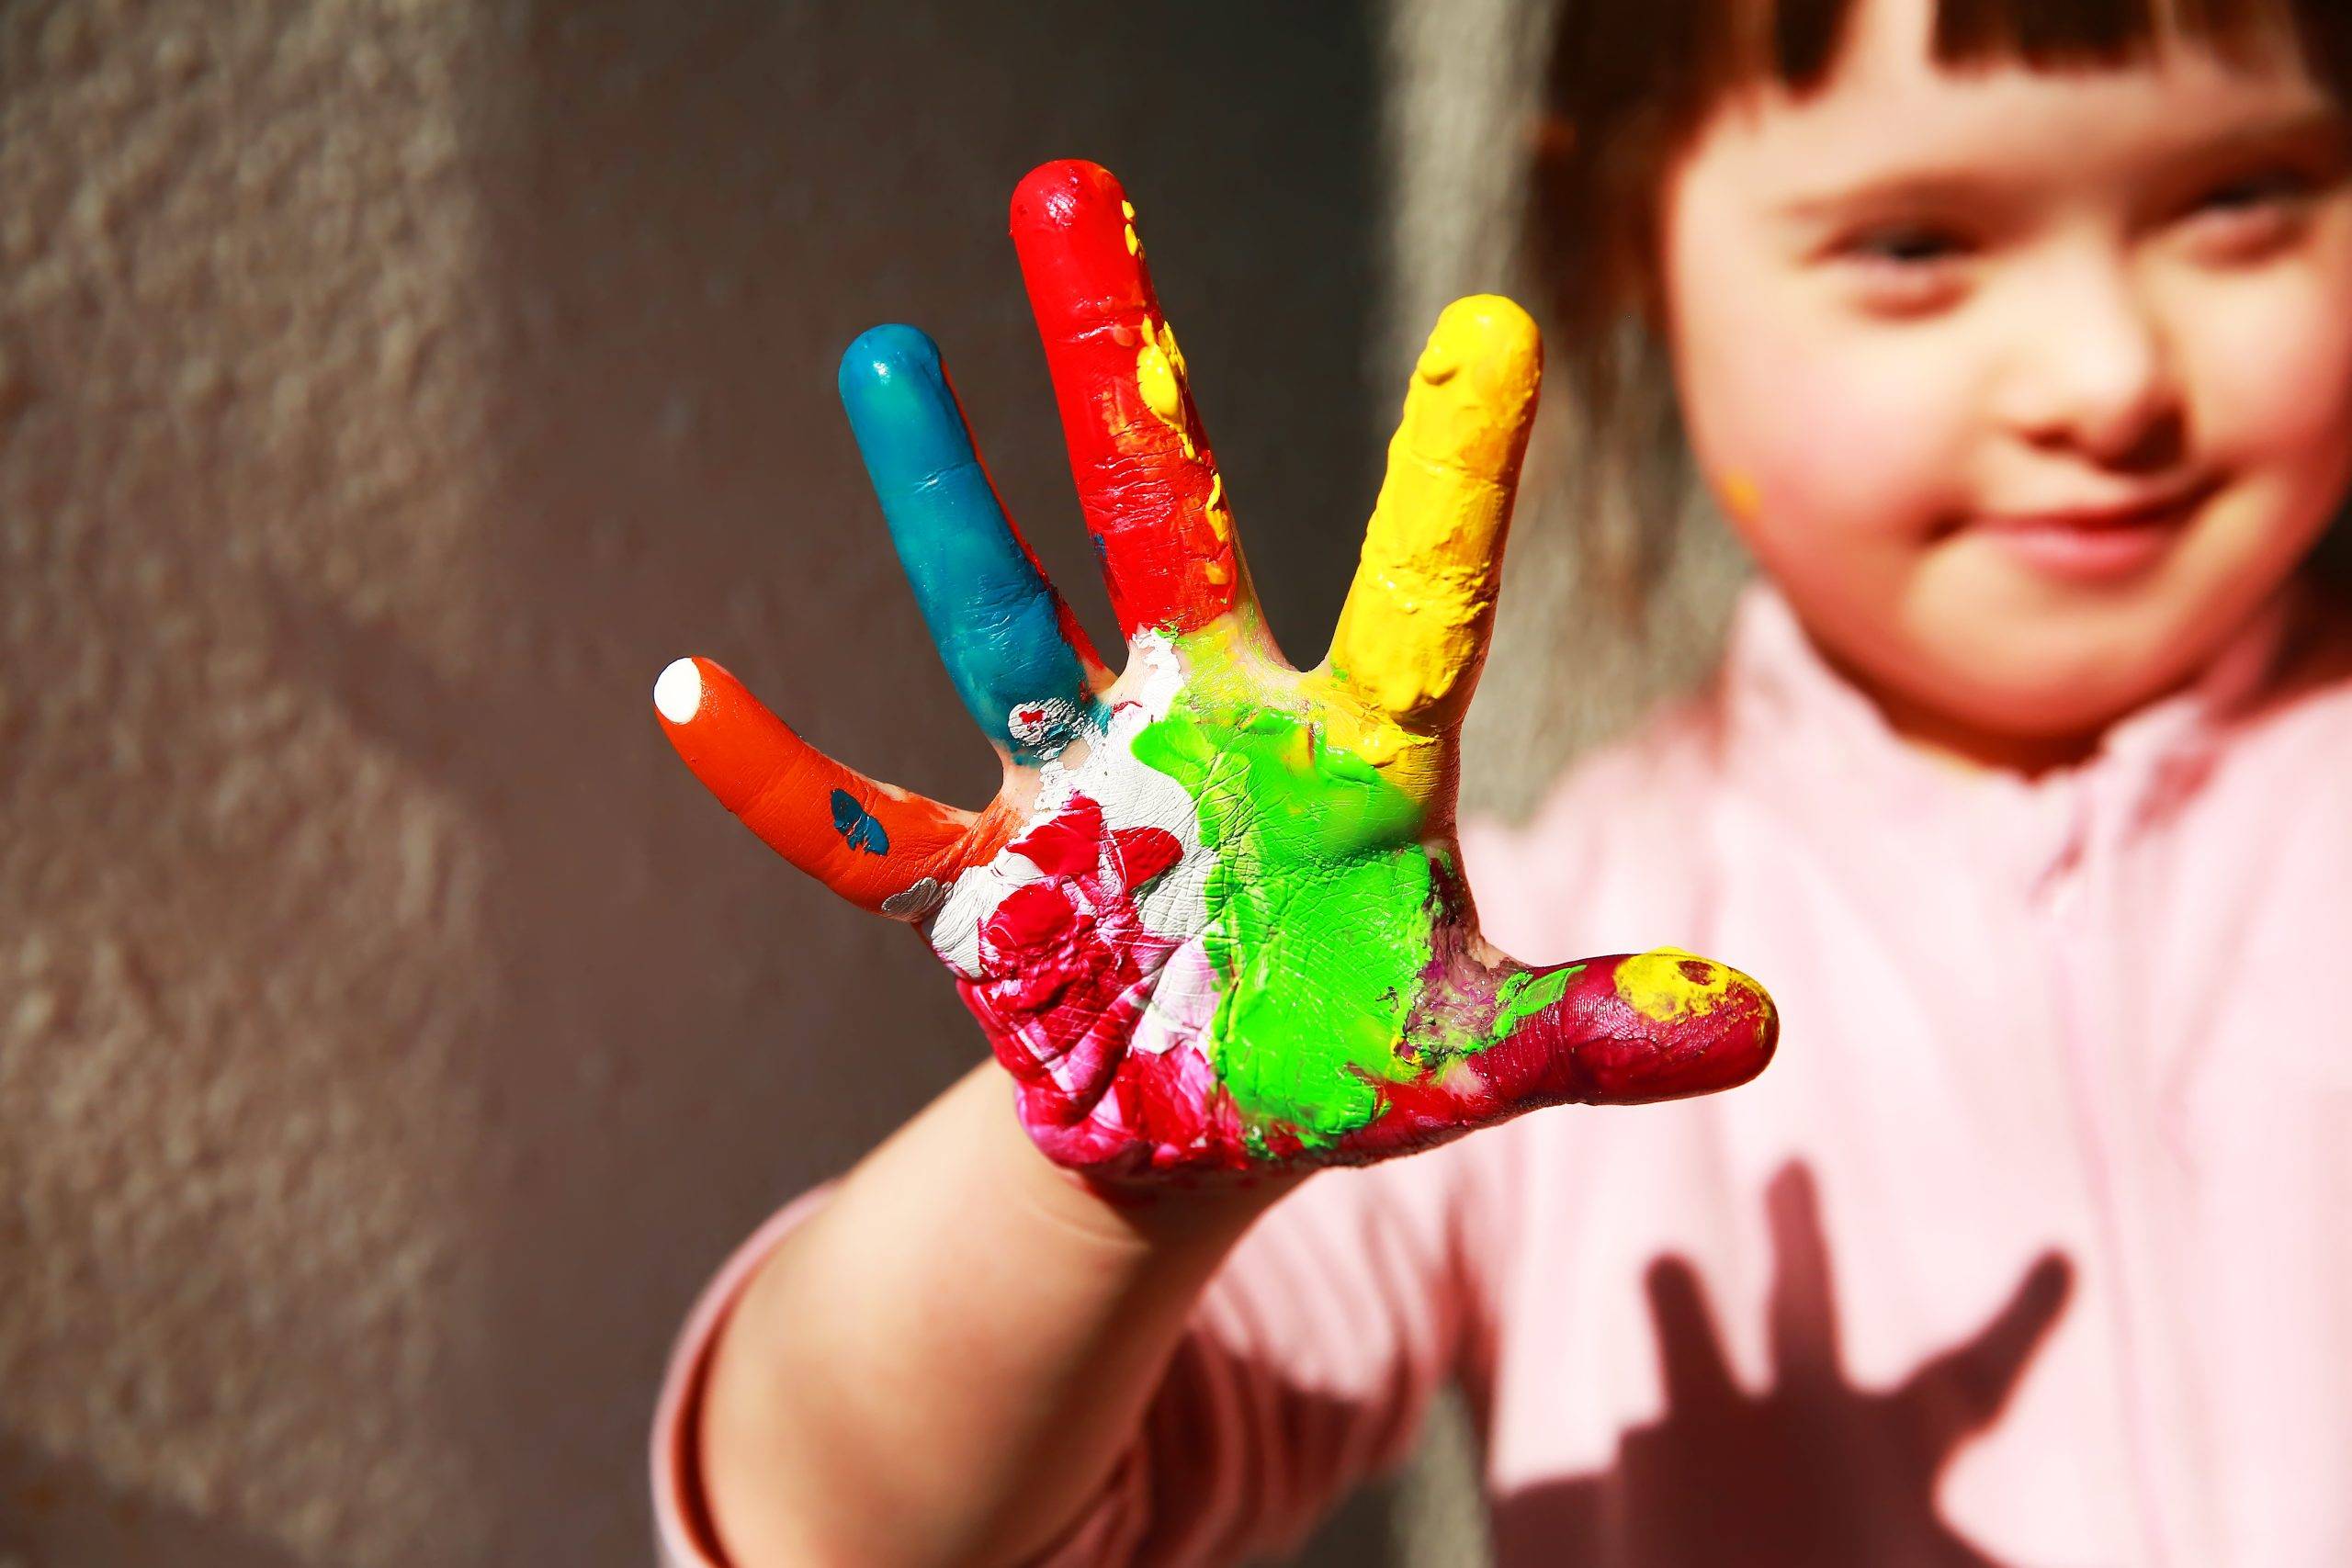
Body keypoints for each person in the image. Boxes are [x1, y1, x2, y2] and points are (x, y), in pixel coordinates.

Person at [647, 0, 2352, 1561]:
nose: (2110, 378)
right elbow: (839, 1534)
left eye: (2243, 202)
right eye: (1914, 243)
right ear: (1631, 233)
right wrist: (1107, 1157)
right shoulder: (1480, 987)